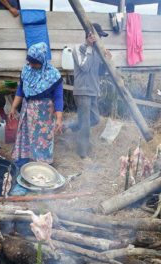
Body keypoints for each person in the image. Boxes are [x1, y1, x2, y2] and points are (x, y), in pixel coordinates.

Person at [9, 42, 63, 166]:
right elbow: (20, 90)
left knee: (42, 139)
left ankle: (42, 164)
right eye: (30, 61)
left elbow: (58, 97)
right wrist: (13, 107)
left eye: (35, 62)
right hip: (27, 111)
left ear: (42, 60)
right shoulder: (26, 70)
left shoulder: (53, 75)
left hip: (44, 116)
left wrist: (59, 118)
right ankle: (24, 161)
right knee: (26, 135)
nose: (32, 65)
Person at [70, 23, 111, 159]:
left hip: (93, 90)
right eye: (99, 37)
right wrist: (89, 47)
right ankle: (83, 153)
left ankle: (69, 126)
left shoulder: (97, 52)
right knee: (86, 123)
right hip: (82, 90)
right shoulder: (78, 49)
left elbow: (99, 73)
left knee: (95, 119)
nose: (101, 40)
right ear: (90, 36)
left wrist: (106, 61)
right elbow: (85, 67)